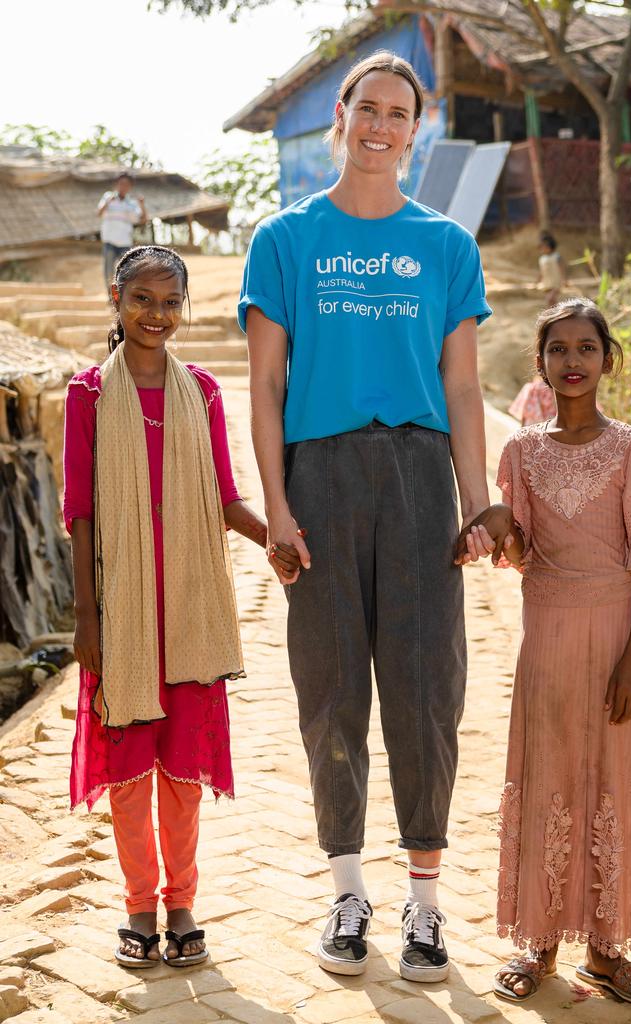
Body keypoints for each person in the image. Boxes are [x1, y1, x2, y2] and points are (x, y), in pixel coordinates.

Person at [240, 51, 491, 982]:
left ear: (415, 132)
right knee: (332, 689)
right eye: (368, 109)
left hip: (424, 478)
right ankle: (347, 891)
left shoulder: (446, 246)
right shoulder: (287, 239)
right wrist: (278, 509)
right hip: (325, 478)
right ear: (340, 119)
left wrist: (477, 506)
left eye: (401, 114)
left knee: (428, 692)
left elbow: (463, 389)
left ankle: (426, 906)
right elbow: (265, 387)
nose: (383, 126)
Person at [63, 245, 299, 971]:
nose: (156, 314)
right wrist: (86, 618)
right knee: (131, 769)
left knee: (181, 772)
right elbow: (80, 513)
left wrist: (277, 540)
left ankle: (182, 900)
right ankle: (138, 904)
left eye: (170, 302)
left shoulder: (200, 389)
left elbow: (225, 497)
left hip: (188, 610)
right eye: (143, 299)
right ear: (116, 298)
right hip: (125, 613)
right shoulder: (89, 396)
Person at [457, 298, 631, 1007]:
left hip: (615, 635)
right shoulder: (521, 450)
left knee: (615, 780)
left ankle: (609, 954)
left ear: (607, 359)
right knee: (547, 774)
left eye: (587, 348)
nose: (573, 362)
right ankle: (539, 941)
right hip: (546, 639)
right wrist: (498, 523)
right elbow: (522, 555)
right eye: (559, 350)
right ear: (541, 364)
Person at [97, 174, 147, 292]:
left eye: (126, 184)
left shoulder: (132, 203)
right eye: (121, 184)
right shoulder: (108, 197)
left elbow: (143, 219)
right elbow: (99, 213)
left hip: (125, 242)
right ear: (116, 185)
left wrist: (142, 205)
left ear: (130, 187)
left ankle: (122, 296)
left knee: (126, 272)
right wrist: (108, 203)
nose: (123, 187)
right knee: (109, 272)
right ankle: (110, 297)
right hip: (109, 241)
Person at [538, 231, 566, 306]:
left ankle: (556, 313)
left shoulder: (556, 256)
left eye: (545, 247)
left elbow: (561, 268)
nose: (543, 249)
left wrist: (563, 279)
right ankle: (553, 315)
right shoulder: (542, 259)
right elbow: (542, 270)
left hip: (556, 282)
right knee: (551, 301)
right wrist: (539, 280)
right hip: (546, 282)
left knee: (550, 298)